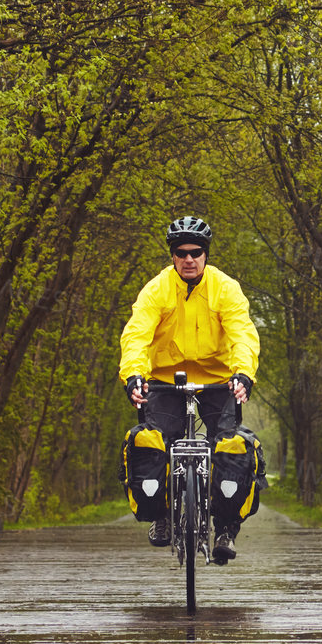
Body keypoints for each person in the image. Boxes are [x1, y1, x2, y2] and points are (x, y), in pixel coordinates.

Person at [119, 214, 260, 563]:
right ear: (172, 256)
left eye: (196, 252)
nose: (189, 259)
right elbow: (137, 334)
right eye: (181, 253)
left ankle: (226, 527)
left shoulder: (225, 288)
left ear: (206, 254)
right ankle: (163, 517)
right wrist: (134, 375)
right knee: (152, 440)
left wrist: (243, 374)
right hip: (166, 380)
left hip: (218, 379)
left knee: (231, 444)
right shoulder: (157, 289)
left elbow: (243, 332)